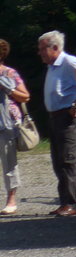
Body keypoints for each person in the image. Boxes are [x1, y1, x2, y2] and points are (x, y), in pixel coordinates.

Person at [37, 30, 76, 217]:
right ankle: (64, 203)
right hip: (55, 117)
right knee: (58, 162)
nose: (39, 53)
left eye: (42, 49)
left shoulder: (69, 62)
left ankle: (72, 204)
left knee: (68, 161)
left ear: (54, 48)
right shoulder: (52, 66)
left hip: (67, 118)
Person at [0, 38, 31, 215]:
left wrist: (7, 89)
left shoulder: (10, 74)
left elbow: (25, 97)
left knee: (9, 163)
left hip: (6, 124)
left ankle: (11, 200)